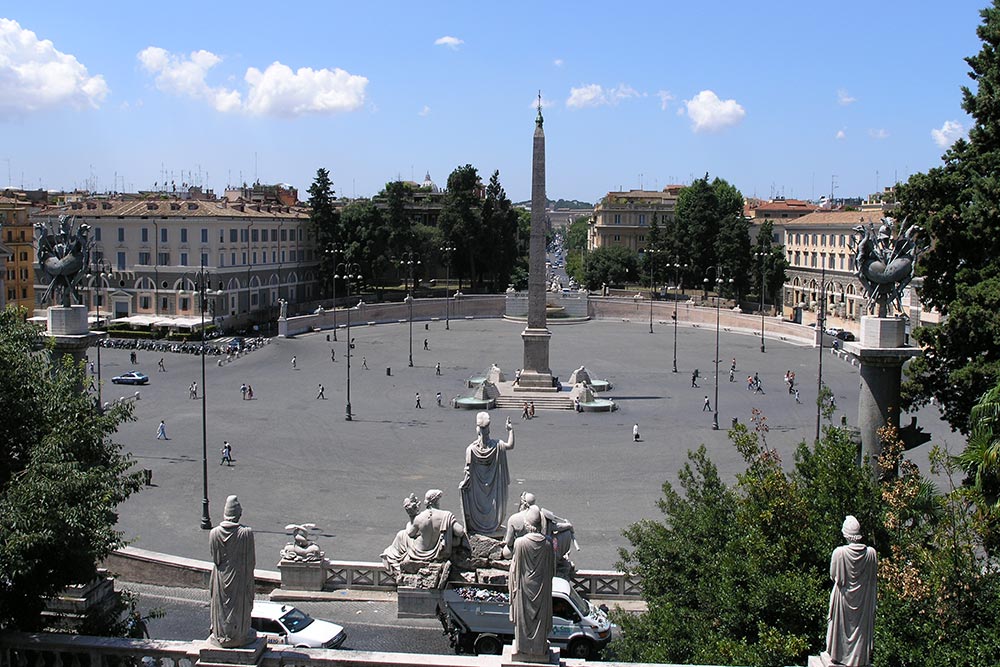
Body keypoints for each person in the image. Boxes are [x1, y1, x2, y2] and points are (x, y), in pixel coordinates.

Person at [823, 516, 877, 667]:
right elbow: (872, 579)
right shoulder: (871, 554)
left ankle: (838, 655)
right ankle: (858, 658)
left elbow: (833, 576)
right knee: (860, 630)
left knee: (839, 629)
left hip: (843, 600)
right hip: (862, 602)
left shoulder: (839, 553)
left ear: (845, 534)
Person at [508, 506, 554, 661]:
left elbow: (515, 569)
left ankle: (524, 648)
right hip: (541, 587)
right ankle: (538, 648)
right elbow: (552, 570)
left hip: (523, 587)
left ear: (527, 524)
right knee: (540, 619)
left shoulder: (520, 543)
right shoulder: (547, 544)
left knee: (523, 617)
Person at [209, 496, 255, 648]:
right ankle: (239, 635)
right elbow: (250, 562)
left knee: (221, 607)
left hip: (220, 578)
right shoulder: (246, 533)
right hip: (240, 577)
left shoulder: (214, 533)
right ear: (238, 513)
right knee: (239, 607)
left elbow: (216, 559)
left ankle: (222, 634)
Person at [460, 412, 514, 536]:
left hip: (477, 489)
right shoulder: (497, 445)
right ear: (489, 430)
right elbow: (510, 445)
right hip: (494, 487)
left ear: (477, 430)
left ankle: (478, 526)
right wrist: (510, 430)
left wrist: (463, 484)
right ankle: (492, 525)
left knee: (478, 505)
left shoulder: (471, 449)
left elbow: (468, 473)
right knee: (493, 505)